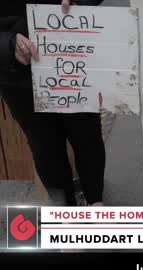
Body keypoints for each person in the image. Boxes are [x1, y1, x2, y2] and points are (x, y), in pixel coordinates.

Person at [0, 0, 105, 207]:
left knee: (87, 135)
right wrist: (7, 43)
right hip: (18, 72)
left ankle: (95, 202)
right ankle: (66, 213)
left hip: (73, 53)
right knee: (45, 147)